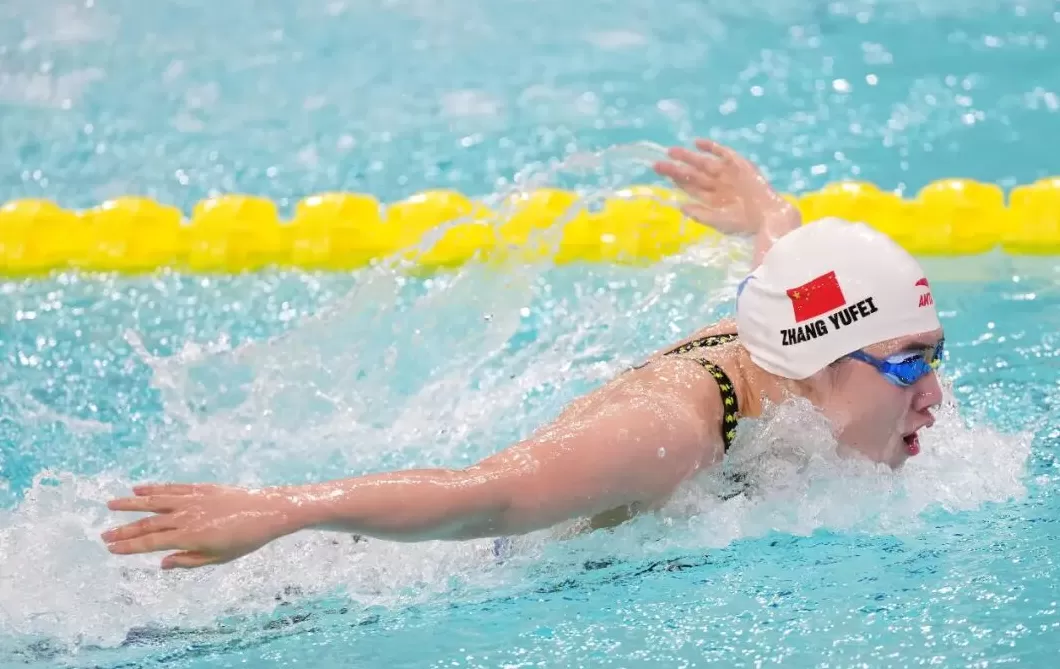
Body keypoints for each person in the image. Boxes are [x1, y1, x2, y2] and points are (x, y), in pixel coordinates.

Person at [100, 138, 945, 570]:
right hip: (404, 572)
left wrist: (764, 213)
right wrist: (278, 511)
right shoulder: (670, 430)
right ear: (816, 361)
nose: (935, 394)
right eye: (909, 362)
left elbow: (787, 272)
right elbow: (490, 496)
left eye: (934, 355)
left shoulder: (794, 341)